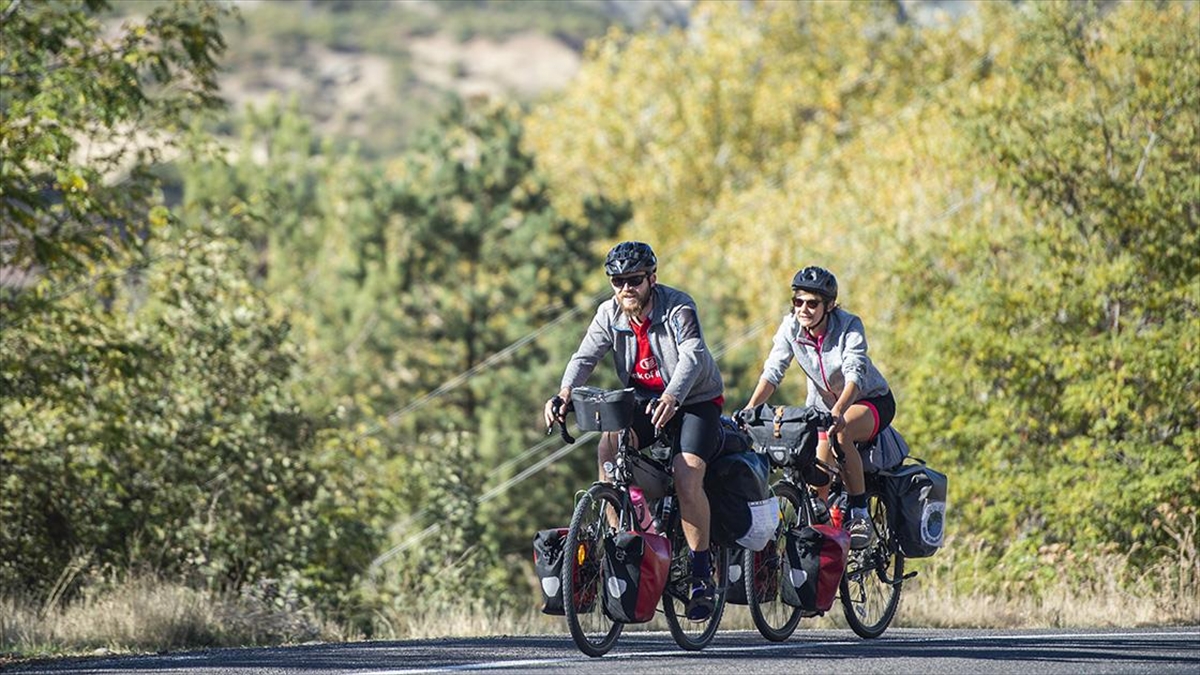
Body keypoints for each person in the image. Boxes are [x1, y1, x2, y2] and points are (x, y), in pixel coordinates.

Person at [544, 241, 726, 621]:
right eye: (617, 281)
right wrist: (564, 393)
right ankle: (622, 544)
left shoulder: (678, 307)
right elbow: (585, 357)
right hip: (645, 399)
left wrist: (673, 396)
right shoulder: (609, 313)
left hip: (695, 400)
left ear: (651, 279)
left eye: (634, 280)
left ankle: (700, 573)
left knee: (686, 474)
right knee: (609, 448)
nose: (626, 288)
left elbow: (693, 354)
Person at [742, 266, 896, 549]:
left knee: (842, 432)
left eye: (812, 303)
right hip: (824, 408)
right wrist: (750, 408)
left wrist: (839, 410)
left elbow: (855, 374)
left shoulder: (849, 325)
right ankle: (822, 548)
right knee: (817, 483)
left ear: (830, 305)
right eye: (798, 301)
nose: (804, 309)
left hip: (869, 400)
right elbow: (773, 371)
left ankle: (859, 513)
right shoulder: (791, 327)